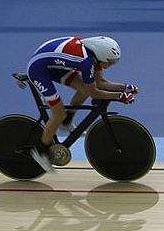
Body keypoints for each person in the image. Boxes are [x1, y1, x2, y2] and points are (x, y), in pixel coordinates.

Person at [26, 36, 138, 172]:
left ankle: (66, 122)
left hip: (52, 64)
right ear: (100, 56)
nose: (110, 66)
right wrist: (119, 96)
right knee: (58, 113)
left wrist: (125, 87)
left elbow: (101, 83)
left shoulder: (93, 56)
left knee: (84, 90)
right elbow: (95, 93)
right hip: (38, 70)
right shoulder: (85, 62)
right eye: (110, 62)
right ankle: (40, 152)